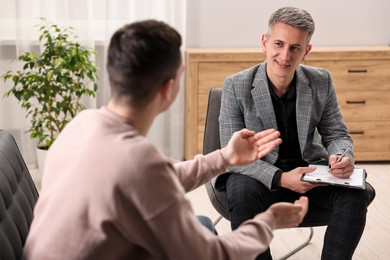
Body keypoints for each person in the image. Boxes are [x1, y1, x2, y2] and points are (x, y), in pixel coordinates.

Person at [23, 20, 309, 260]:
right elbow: (212, 254)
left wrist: (224, 157)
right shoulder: (138, 162)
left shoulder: (81, 124)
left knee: (202, 224)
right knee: (203, 231)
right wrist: (268, 222)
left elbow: (155, 179)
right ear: (168, 88)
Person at [218, 6, 375, 260]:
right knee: (240, 190)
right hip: (259, 175)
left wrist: (342, 156)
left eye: (295, 48)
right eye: (278, 44)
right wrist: (281, 177)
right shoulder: (236, 85)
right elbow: (231, 153)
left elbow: (337, 134)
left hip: (310, 173)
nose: (284, 55)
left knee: (357, 193)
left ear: (306, 52)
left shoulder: (321, 81)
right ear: (265, 42)